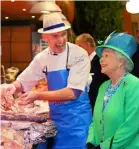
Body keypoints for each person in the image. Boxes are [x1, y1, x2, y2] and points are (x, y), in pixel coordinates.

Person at [1, 13, 92, 149]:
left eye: (63, 34)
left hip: (78, 121)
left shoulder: (79, 55)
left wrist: (37, 95)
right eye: (55, 36)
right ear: (45, 37)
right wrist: (12, 87)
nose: (61, 40)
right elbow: (23, 81)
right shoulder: (42, 58)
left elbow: (73, 93)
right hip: (55, 119)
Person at [87, 32, 139, 149]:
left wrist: (103, 147)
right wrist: (91, 141)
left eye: (106, 56)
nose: (101, 60)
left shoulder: (135, 86)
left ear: (121, 61)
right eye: (102, 56)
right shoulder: (103, 86)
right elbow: (96, 120)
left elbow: (131, 126)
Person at [75, 33, 108, 112]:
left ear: (87, 44)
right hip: (87, 104)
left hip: (99, 102)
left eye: (79, 46)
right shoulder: (82, 61)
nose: (77, 50)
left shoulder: (100, 60)